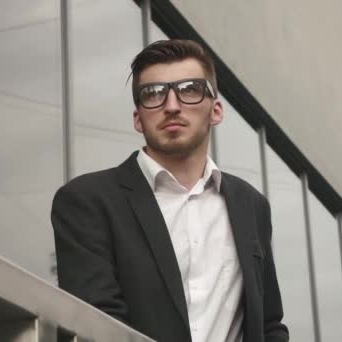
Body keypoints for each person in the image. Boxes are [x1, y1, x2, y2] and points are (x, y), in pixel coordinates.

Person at [51, 39, 289, 342]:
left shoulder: (251, 205)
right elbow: (96, 324)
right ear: (138, 118)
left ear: (216, 110)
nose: (172, 106)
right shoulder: (88, 201)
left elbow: (268, 324)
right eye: (153, 94)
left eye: (189, 90)